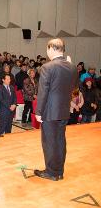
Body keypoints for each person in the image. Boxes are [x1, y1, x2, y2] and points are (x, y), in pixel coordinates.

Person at [34, 38, 78, 181]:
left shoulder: (47, 67)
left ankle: (52, 172)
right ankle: (59, 171)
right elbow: (74, 88)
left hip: (50, 111)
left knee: (49, 142)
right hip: (64, 110)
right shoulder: (72, 67)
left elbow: (43, 92)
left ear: (51, 48)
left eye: (47, 49)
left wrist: (38, 112)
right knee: (60, 141)